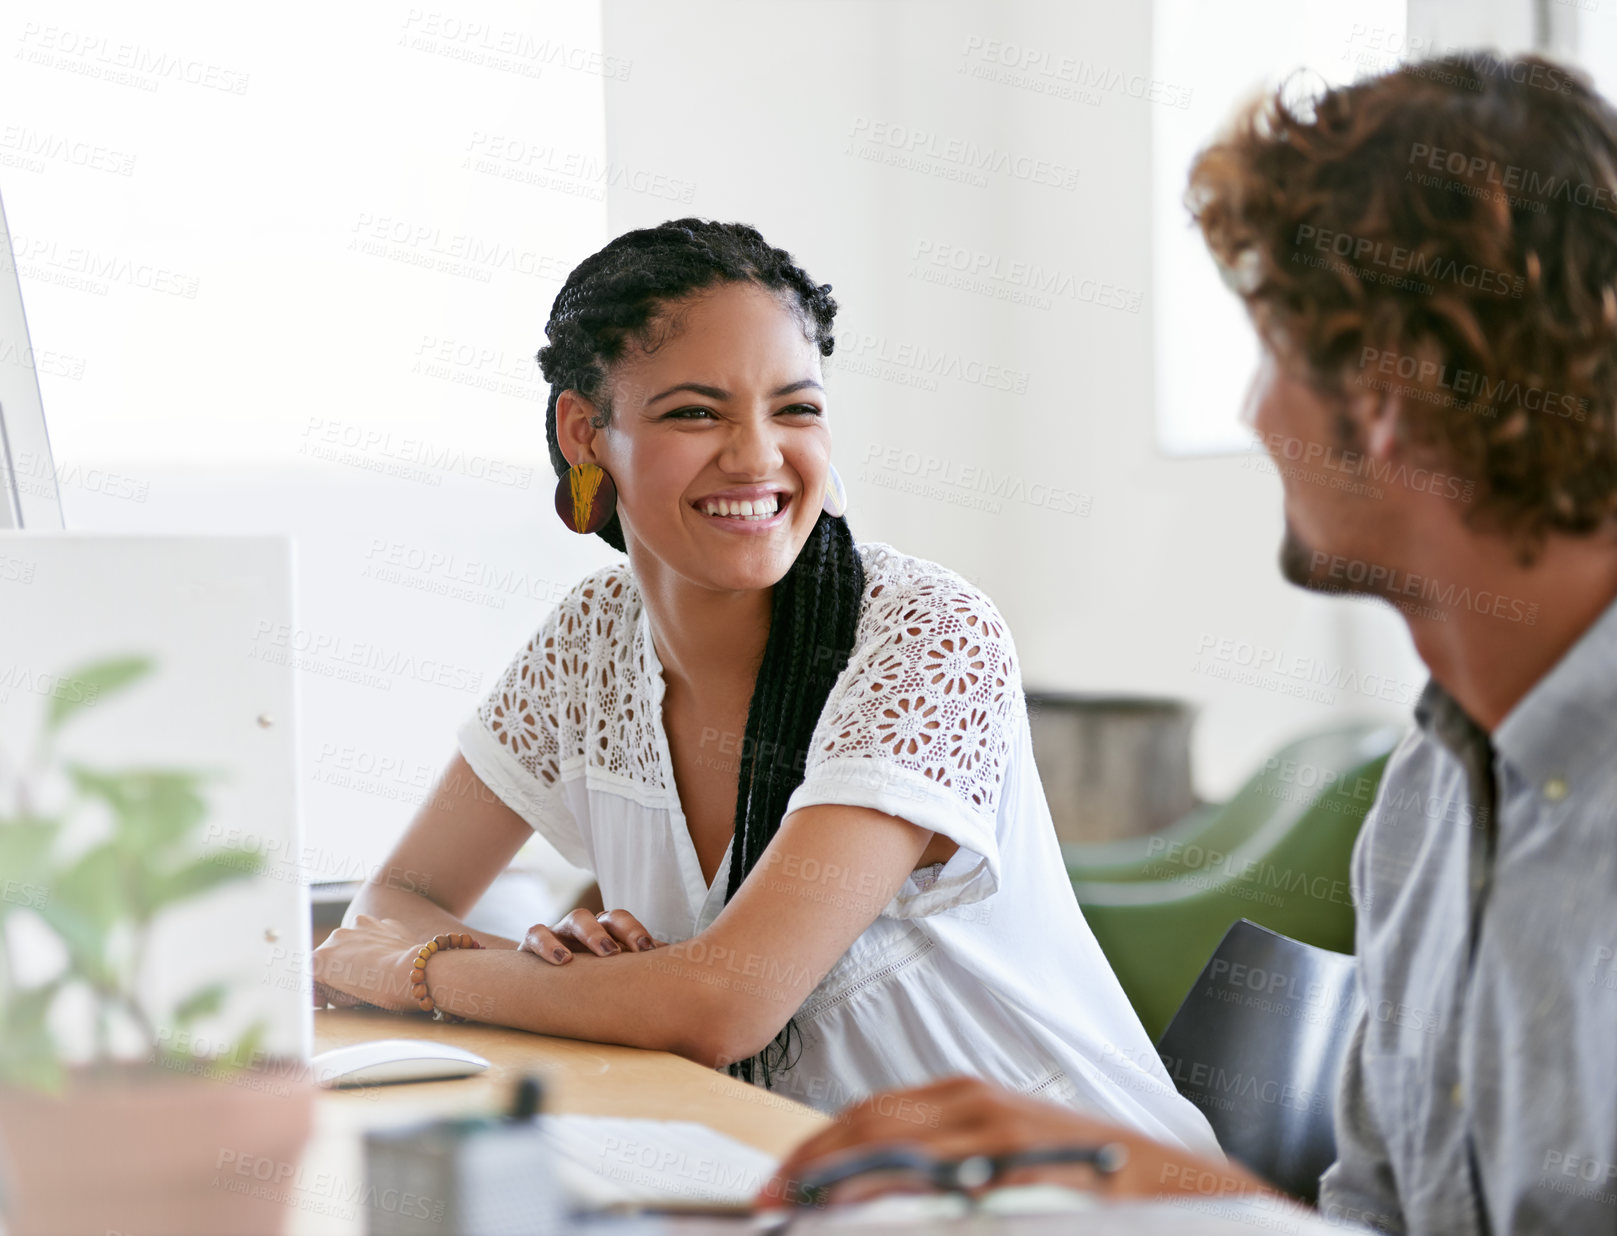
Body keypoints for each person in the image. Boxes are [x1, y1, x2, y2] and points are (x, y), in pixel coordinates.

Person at [765, 52, 1617, 1233]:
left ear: (1390, 392)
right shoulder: (1429, 797)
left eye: (1268, 349)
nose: (1251, 412)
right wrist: (1127, 1175)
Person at [310, 218, 1219, 1155]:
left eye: (795, 409)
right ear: (587, 432)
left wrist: (435, 974)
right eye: (695, 413)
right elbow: (391, 903)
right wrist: (603, 991)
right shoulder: (588, 640)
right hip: (799, 1186)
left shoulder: (927, 634)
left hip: (1065, 1193)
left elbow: (723, 1006)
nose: (755, 458)